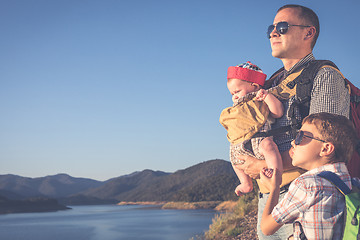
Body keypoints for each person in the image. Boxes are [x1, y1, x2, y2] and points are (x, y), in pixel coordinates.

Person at [233, 4, 350, 239]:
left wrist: (261, 167)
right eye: (271, 29)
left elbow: (326, 145)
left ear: (309, 33)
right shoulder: (272, 82)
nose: (274, 33)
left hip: (307, 199)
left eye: (283, 27)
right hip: (269, 196)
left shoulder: (325, 76)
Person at [260, 112, 357, 239]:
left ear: (326, 149)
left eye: (301, 136)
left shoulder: (306, 185)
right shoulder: (353, 184)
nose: (293, 142)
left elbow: (266, 228)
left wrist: (274, 188)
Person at [220, 62, 284, 196]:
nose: (234, 96)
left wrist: (267, 97)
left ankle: (275, 174)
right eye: (232, 93)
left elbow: (278, 112)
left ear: (254, 86)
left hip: (260, 141)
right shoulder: (238, 108)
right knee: (235, 162)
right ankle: (246, 183)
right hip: (240, 144)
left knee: (269, 146)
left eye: (237, 91)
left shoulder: (261, 98)